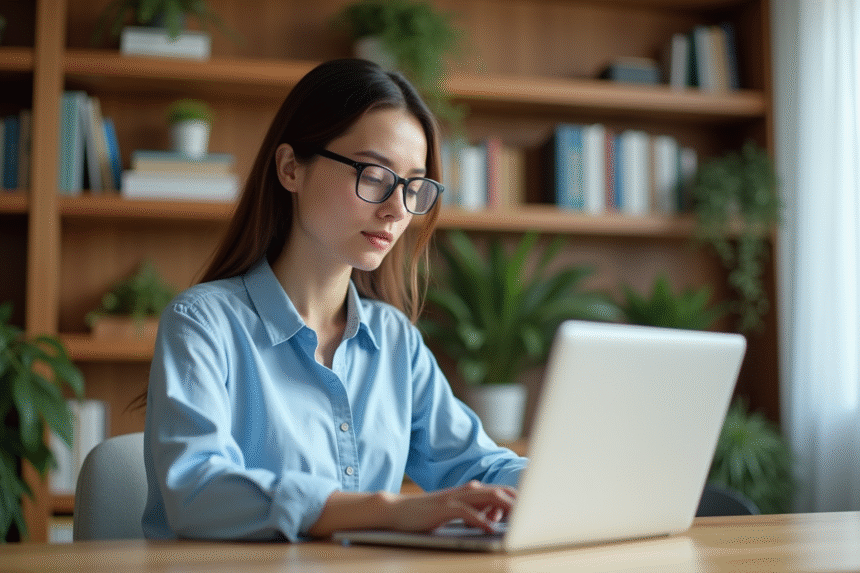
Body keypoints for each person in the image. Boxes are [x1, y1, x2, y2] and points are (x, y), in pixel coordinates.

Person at [141, 58, 528, 542]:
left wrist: (556, 484)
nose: (395, 209)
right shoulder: (202, 323)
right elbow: (196, 492)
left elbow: (479, 466)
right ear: (290, 169)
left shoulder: (395, 341)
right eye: (373, 174)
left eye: (413, 185)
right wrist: (387, 510)